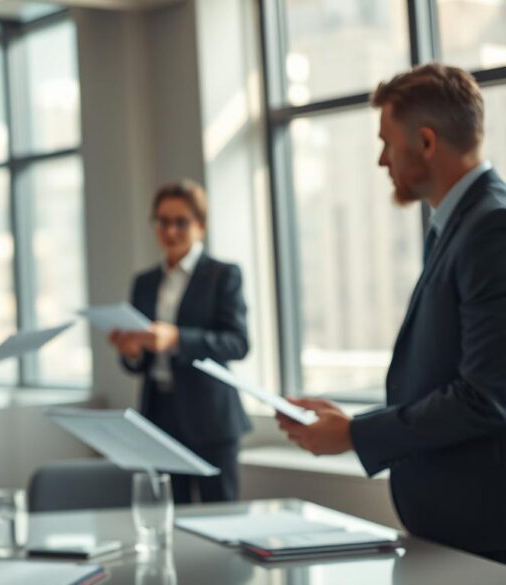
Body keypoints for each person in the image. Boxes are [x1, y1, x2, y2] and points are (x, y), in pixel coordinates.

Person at [276, 63, 506, 563]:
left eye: (386, 141)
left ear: (425, 142)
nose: (382, 160)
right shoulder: (456, 226)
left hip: (483, 534)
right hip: (454, 531)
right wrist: (351, 423)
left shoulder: (492, 228)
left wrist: (356, 435)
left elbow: (484, 397)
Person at [109, 180, 250, 503]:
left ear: (200, 225)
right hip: (159, 415)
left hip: (211, 418)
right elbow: (140, 361)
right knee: (170, 515)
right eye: (162, 221)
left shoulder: (223, 275)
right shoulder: (144, 283)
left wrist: (177, 339)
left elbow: (238, 343)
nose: (170, 230)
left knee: (221, 518)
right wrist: (132, 353)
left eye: (180, 222)